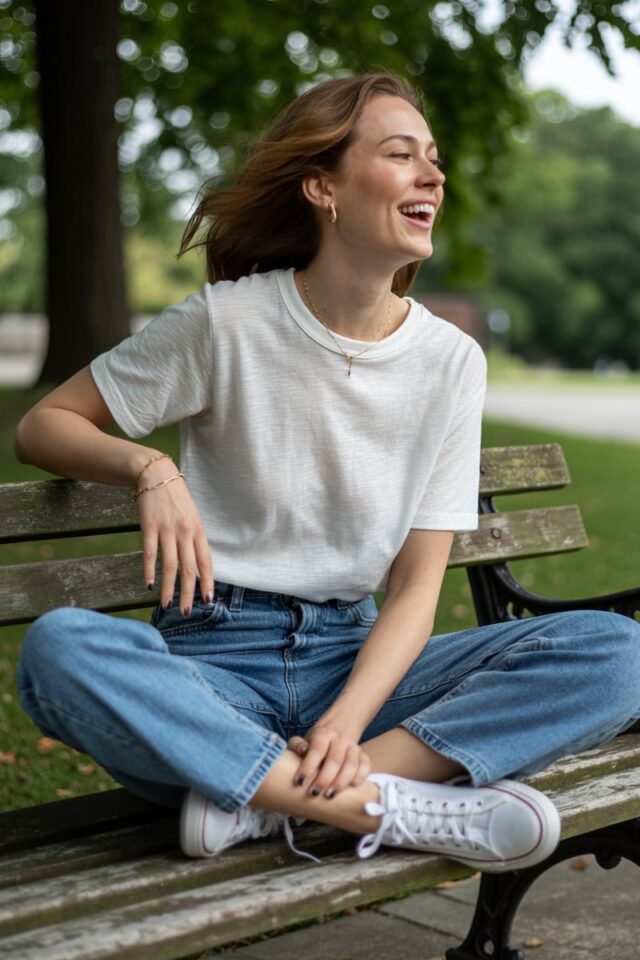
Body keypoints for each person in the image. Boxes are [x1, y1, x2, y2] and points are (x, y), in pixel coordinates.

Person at [15, 73, 640, 871]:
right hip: (211, 667)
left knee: (618, 654)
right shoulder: (226, 323)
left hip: (358, 661)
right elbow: (44, 425)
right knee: (62, 649)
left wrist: (346, 724)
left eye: (434, 161)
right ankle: (382, 809)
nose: (433, 177)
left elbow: (417, 589)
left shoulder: (450, 362)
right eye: (400, 155)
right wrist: (149, 467)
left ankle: (260, 796)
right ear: (323, 188)